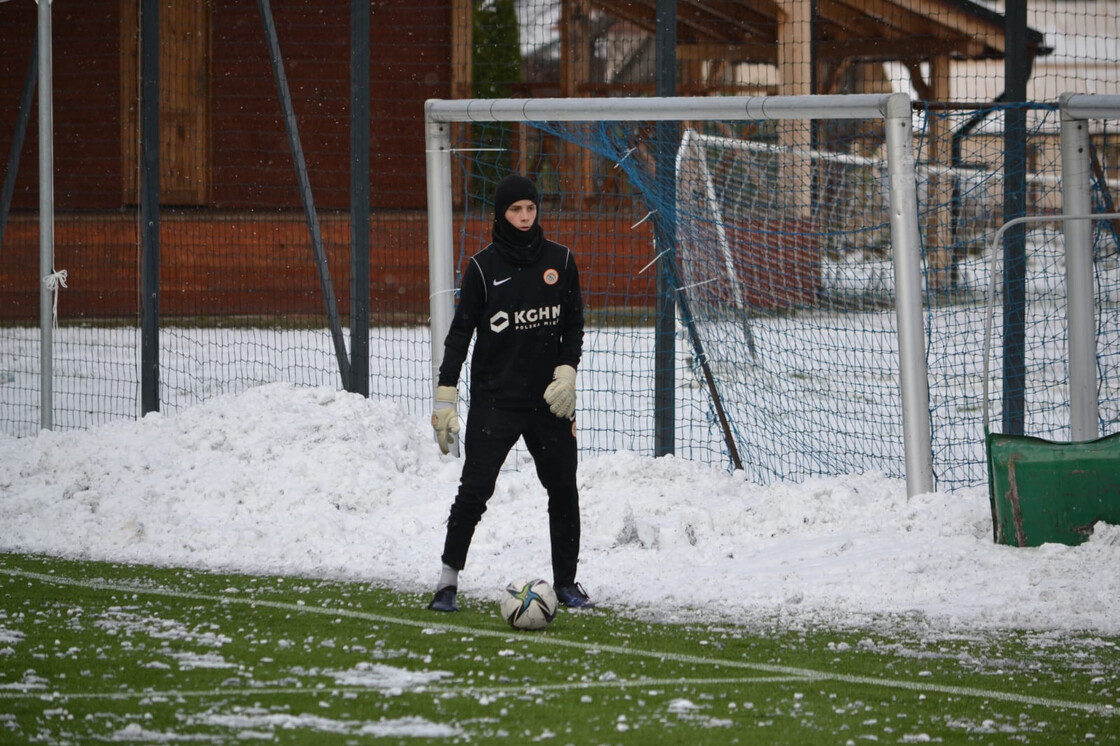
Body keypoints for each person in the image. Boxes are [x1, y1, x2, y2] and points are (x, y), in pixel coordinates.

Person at [427, 174, 592, 612]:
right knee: (474, 491)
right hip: (495, 398)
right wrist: (446, 394)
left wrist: (567, 370)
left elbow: (573, 323)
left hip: (549, 401)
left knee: (564, 488)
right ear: (501, 215)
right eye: (515, 210)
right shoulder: (483, 267)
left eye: (530, 209)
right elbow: (460, 334)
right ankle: (446, 584)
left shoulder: (562, 259)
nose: (524, 218)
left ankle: (568, 584)